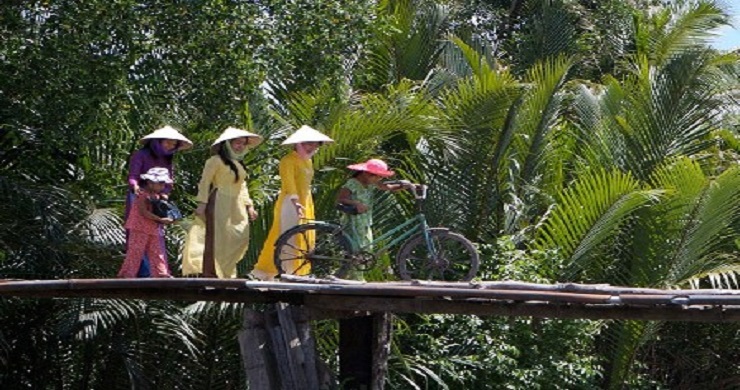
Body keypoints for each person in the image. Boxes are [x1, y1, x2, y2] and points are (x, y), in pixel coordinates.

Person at [250, 125, 334, 281]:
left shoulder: (308, 162)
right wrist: (296, 202)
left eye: (316, 145)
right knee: (288, 236)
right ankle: (280, 272)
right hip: (290, 201)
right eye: (309, 144)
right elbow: (289, 183)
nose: (313, 148)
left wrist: (304, 202)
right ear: (299, 143)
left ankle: (298, 272)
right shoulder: (288, 160)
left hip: (305, 201)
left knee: (304, 237)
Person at [182, 127, 262, 278]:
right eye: (237, 143)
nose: (240, 146)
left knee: (239, 237)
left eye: (243, 144)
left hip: (236, 205)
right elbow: (205, 182)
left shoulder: (239, 164)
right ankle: (211, 274)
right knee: (217, 239)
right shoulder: (215, 161)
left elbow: (242, 186)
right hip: (219, 201)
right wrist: (202, 204)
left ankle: (226, 271)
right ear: (227, 144)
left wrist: (249, 206)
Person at [125, 125, 192, 277]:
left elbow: (169, 182)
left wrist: (165, 194)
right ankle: (137, 274)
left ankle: (160, 273)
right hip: (140, 195)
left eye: (173, 144)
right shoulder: (140, 154)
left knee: (156, 240)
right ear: (157, 141)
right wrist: (135, 187)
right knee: (137, 238)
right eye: (167, 143)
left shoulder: (168, 159)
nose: (170, 146)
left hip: (158, 198)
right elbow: (133, 176)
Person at [336, 158, 411, 280]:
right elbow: (341, 199)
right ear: (365, 173)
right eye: (376, 177)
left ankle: (350, 276)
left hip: (365, 222)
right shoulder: (352, 183)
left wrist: (408, 186)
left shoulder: (372, 183)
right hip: (353, 221)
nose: (378, 180)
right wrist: (356, 204)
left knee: (366, 249)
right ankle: (355, 278)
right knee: (356, 250)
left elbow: (389, 187)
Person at [118, 167, 176, 278]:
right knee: (136, 251)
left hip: (152, 228)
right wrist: (160, 220)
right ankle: (127, 274)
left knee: (156, 251)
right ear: (150, 183)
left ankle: (160, 273)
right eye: (160, 183)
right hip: (139, 227)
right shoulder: (142, 195)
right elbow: (144, 212)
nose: (162, 186)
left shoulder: (157, 196)